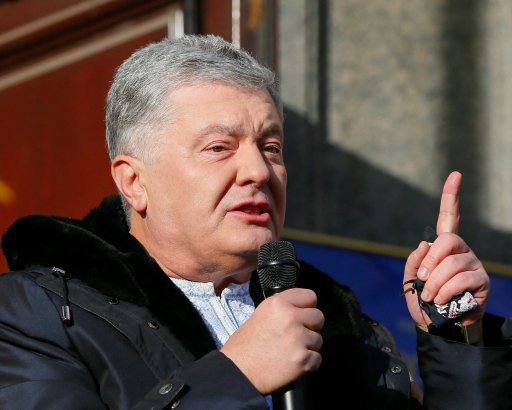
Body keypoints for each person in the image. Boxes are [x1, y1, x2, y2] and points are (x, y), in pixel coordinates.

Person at [0, 34, 511, 410]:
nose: (259, 171)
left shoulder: (341, 326)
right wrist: (235, 375)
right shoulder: (38, 315)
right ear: (134, 181)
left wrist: (456, 340)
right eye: (219, 148)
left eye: (271, 147)